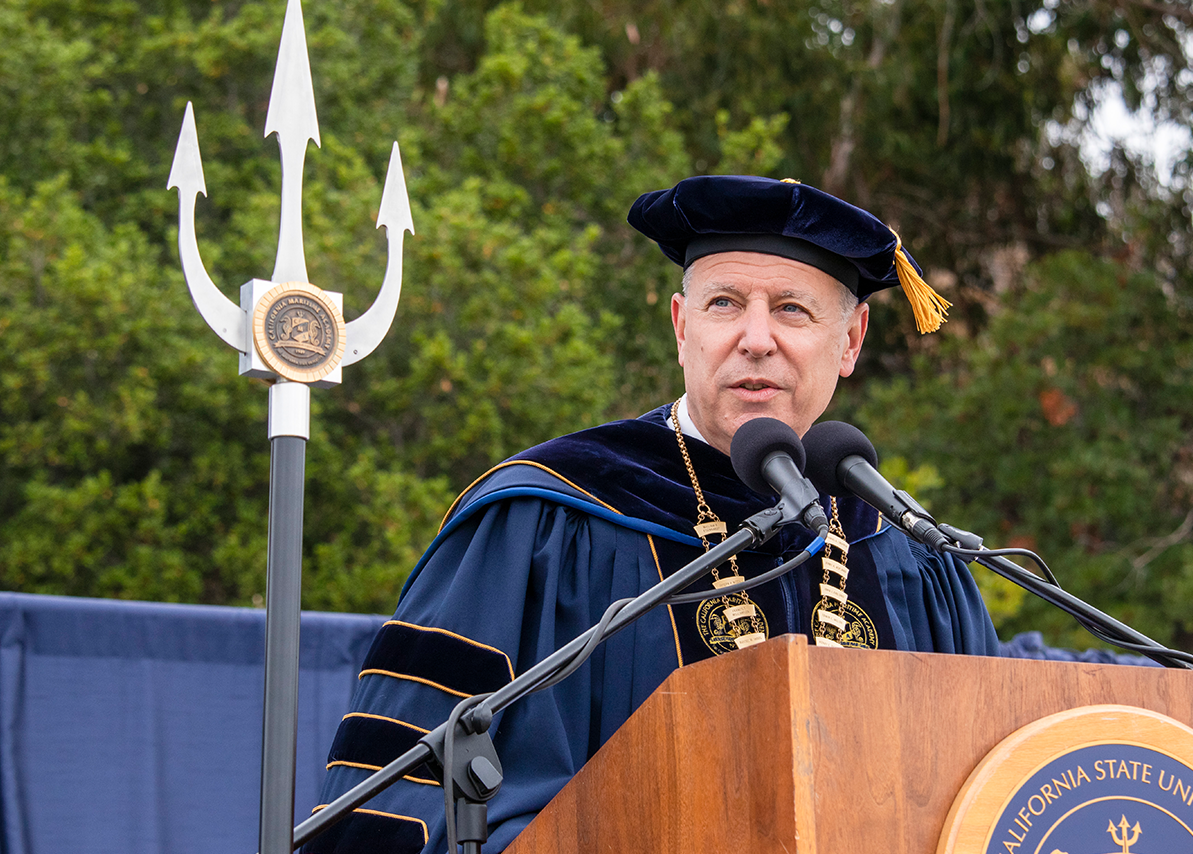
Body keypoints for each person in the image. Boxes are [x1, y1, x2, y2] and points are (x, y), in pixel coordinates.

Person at [300, 176, 1000, 854]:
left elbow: (991, 796)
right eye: (725, 304)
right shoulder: (547, 521)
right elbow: (396, 799)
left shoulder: (911, 553)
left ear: (849, 343)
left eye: (792, 310)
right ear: (680, 326)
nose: (756, 338)